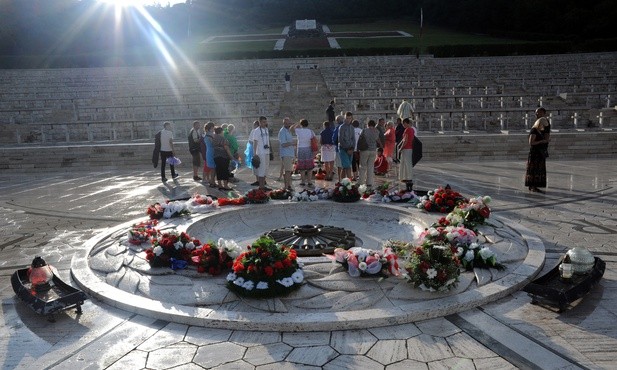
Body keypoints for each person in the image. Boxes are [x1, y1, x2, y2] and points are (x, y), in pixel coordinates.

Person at [525, 107, 551, 193]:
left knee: (538, 169)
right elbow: (531, 142)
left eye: (538, 113)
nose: (536, 114)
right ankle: (532, 186)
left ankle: (534, 186)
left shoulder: (544, 128)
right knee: (534, 169)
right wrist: (542, 141)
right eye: (536, 112)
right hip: (535, 152)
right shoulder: (534, 130)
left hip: (540, 152)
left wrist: (545, 141)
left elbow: (547, 136)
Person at [357, 119, 382, 187]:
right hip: (373, 150)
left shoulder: (364, 130)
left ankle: (361, 182)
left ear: (368, 124)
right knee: (371, 167)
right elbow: (378, 140)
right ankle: (369, 182)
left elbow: (360, 139)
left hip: (365, 150)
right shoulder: (377, 131)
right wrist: (381, 146)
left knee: (363, 166)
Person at [293, 119, 316, 187]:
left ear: (301, 124)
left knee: (301, 166)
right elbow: (314, 139)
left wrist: (297, 123)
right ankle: (309, 181)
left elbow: (292, 128)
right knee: (309, 166)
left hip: (300, 149)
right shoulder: (310, 131)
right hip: (308, 148)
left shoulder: (299, 131)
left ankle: (303, 181)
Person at [251, 116, 271, 191]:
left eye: (266, 122)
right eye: (263, 122)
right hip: (261, 152)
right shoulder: (256, 131)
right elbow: (255, 142)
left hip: (267, 152)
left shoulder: (266, 129)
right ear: (260, 122)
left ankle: (263, 185)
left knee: (266, 169)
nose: (265, 123)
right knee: (261, 169)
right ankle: (261, 186)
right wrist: (254, 153)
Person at [212, 126, 234, 191]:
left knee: (218, 170)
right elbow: (226, 148)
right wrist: (231, 157)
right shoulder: (223, 139)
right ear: (221, 131)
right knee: (225, 171)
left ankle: (220, 185)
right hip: (223, 157)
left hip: (216, 156)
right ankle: (225, 185)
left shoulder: (214, 138)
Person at [278, 117, 295, 189]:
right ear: (284, 123)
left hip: (289, 153)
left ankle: (288, 184)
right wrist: (292, 144)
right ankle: (286, 186)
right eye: (288, 123)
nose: (289, 125)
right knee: (287, 170)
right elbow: (283, 144)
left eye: (290, 123)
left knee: (289, 170)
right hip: (286, 153)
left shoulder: (288, 130)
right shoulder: (282, 131)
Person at [398, 117, 415, 191]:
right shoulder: (412, 129)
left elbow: (405, 140)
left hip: (406, 148)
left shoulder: (407, 129)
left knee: (406, 163)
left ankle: (408, 177)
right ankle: (406, 177)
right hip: (409, 148)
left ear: (407, 123)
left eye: (404, 123)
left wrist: (401, 148)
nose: (403, 125)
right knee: (406, 163)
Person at [337, 112, 355, 180]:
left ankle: (342, 181)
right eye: (347, 118)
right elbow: (340, 139)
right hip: (343, 149)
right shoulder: (342, 127)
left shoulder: (352, 127)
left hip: (350, 149)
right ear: (345, 118)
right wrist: (347, 149)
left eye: (349, 118)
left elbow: (353, 139)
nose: (348, 120)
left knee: (345, 166)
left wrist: (352, 148)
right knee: (347, 166)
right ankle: (349, 182)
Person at [245, 120, 260, 186]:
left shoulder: (254, 131)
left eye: (254, 125)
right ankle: (262, 180)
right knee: (261, 166)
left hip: (255, 150)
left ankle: (258, 180)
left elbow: (250, 141)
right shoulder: (262, 131)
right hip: (261, 151)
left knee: (256, 165)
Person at [202, 121, 216, 187]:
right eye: (213, 127)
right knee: (213, 168)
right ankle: (212, 181)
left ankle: (212, 180)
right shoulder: (210, 135)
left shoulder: (206, 134)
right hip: (211, 152)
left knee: (212, 168)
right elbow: (213, 143)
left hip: (209, 151)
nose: (213, 129)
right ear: (210, 128)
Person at [332, 114, 344, 182]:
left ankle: (340, 179)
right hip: (347, 148)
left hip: (339, 149)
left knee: (339, 165)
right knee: (346, 165)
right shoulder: (348, 127)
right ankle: (346, 179)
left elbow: (334, 138)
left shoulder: (337, 128)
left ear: (337, 121)